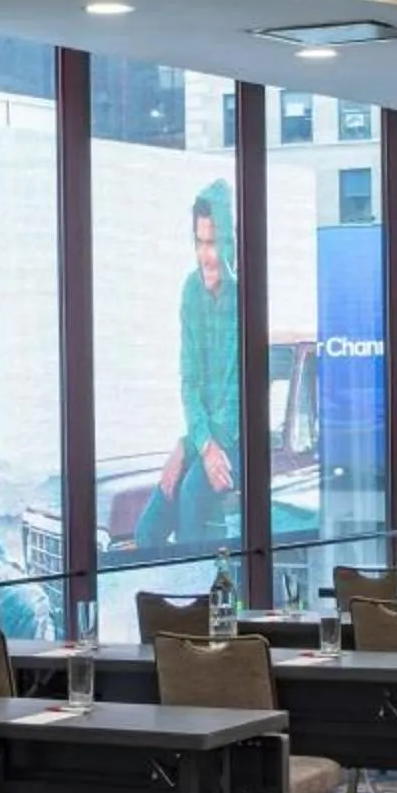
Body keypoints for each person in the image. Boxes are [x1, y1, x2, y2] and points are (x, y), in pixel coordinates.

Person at [156, 179, 242, 545]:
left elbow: (236, 397)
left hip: (238, 438)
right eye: (199, 242)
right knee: (153, 517)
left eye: (214, 243)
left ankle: (195, 599)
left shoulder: (244, 295)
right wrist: (195, 444)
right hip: (205, 436)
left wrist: (200, 445)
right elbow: (189, 382)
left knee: (191, 497)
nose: (206, 256)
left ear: (230, 243)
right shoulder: (191, 290)